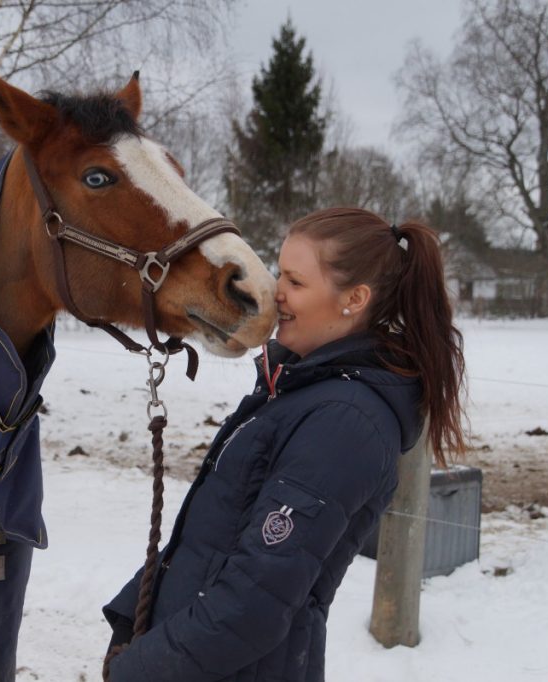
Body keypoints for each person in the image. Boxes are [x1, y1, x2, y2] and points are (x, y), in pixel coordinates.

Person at [102, 207, 467, 682]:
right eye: (280, 273)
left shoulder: (345, 423)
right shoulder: (299, 389)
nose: (276, 292)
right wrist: (133, 620)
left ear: (353, 299)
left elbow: (255, 602)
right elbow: (210, 542)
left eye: (295, 282)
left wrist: (141, 670)